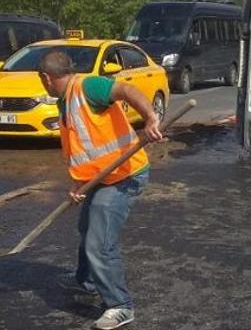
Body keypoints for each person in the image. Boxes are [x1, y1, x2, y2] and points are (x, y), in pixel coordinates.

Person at [38, 50, 162, 330]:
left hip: (125, 175)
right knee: (86, 227)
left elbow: (127, 89)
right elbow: (85, 149)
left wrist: (151, 118)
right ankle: (87, 280)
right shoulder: (66, 100)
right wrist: (78, 183)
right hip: (101, 177)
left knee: (100, 242)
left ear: (46, 78)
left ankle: (119, 305)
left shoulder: (88, 87)